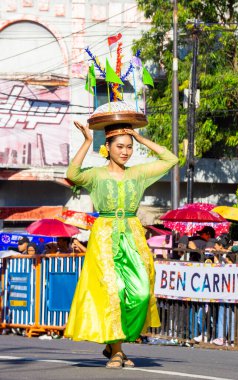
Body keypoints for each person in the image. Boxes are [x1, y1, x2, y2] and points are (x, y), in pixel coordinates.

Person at [64, 104, 178, 369]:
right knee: (113, 291)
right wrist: (87, 141)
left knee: (139, 293)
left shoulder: (137, 174)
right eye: (120, 147)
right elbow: (72, 174)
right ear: (108, 147)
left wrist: (140, 137)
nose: (125, 152)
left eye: (129, 147)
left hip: (132, 234)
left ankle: (115, 345)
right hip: (104, 235)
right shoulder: (96, 175)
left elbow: (171, 160)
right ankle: (116, 351)